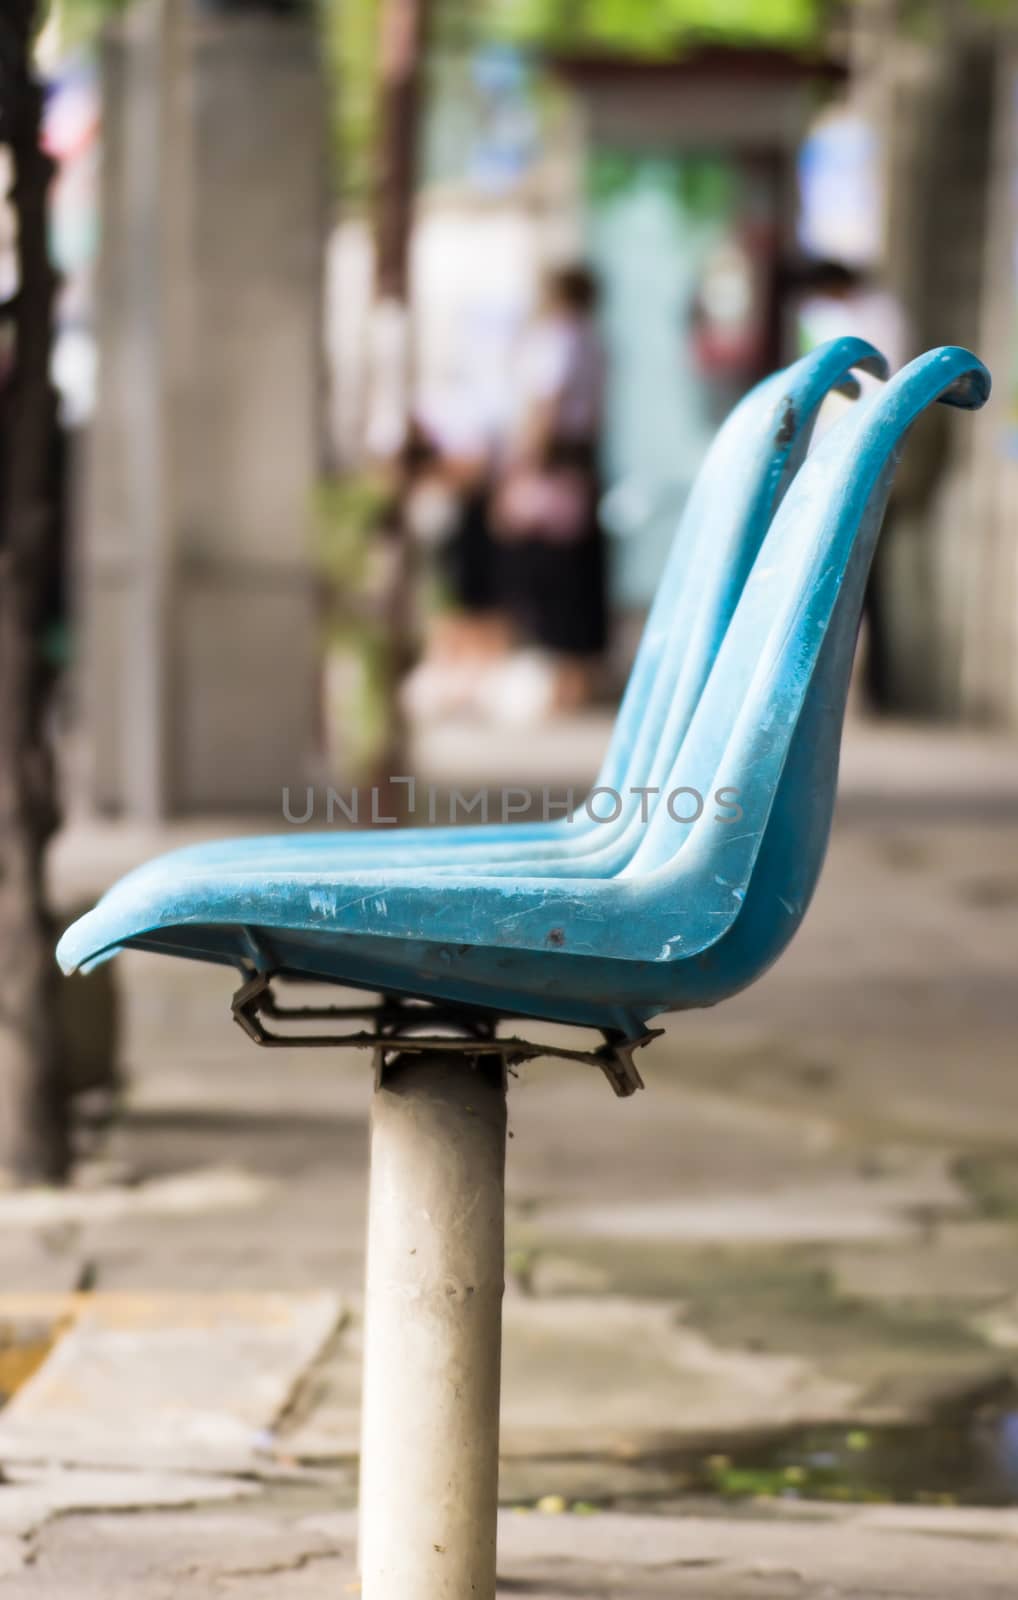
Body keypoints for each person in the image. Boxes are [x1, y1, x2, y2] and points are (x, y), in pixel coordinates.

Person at [491, 264, 609, 712]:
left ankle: (557, 679)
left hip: (554, 466)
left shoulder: (559, 338)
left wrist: (523, 466)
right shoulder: (594, 340)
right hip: (579, 462)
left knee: (548, 573)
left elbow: (546, 404)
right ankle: (574, 678)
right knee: (575, 575)